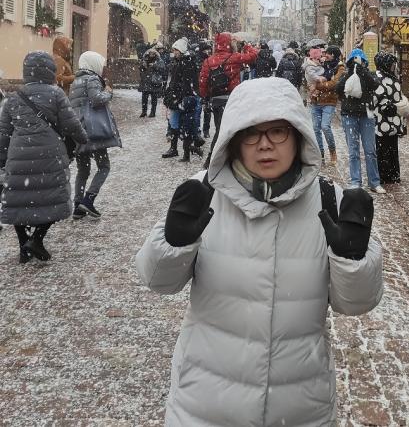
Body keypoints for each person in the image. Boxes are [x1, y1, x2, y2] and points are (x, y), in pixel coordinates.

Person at [135, 77, 383, 427]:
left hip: (300, 406)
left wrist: (353, 260)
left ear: (298, 137)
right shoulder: (202, 195)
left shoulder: (331, 204)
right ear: (234, 141)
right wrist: (174, 244)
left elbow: (356, 303)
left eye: (278, 131)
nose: (265, 145)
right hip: (205, 404)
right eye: (251, 133)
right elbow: (158, 282)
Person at [0, 51, 87, 261]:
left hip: (19, 154)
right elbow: (71, 123)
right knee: (53, 197)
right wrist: (82, 138)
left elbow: (3, 132)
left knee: (18, 199)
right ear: (50, 71)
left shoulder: (14, 97)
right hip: (50, 154)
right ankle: (37, 239)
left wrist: (3, 158)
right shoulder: (56, 94)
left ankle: (24, 246)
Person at [69, 51, 122, 219]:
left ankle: (78, 205)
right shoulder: (91, 79)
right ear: (93, 64)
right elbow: (96, 99)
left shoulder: (75, 81)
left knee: (83, 170)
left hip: (78, 130)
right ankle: (89, 200)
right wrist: (109, 92)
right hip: (92, 131)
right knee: (104, 166)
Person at [199, 33, 258, 162]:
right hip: (233, 98)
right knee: (234, 128)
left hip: (216, 100)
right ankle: (233, 157)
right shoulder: (234, 57)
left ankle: (213, 157)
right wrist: (245, 44)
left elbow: (203, 83)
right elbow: (253, 55)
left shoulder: (209, 61)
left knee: (219, 128)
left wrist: (205, 97)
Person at [336, 48, 386, 194]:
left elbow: (375, 85)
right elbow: (338, 89)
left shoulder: (368, 75)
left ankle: (374, 182)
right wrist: (351, 71)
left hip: (366, 115)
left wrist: (362, 71)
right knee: (353, 151)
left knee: (370, 151)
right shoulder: (346, 74)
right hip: (349, 116)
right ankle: (355, 181)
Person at [162, 39, 202, 162]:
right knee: (174, 124)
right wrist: (169, 94)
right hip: (177, 98)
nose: (174, 52)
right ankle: (177, 148)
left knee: (185, 126)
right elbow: (174, 82)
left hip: (184, 99)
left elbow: (187, 84)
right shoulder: (178, 62)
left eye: (176, 50)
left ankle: (186, 151)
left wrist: (178, 98)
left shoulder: (187, 63)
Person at [373, 52, 407, 185]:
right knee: (384, 148)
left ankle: (391, 174)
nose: (394, 66)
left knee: (390, 147)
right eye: (392, 64)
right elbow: (377, 98)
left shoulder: (387, 77)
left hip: (390, 119)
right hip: (383, 119)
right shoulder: (380, 78)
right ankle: (387, 174)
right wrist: (389, 106)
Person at [309, 47, 345, 164]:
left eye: (328, 54)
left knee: (325, 126)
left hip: (329, 101)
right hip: (316, 100)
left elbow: (334, 84)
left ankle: (332, 151)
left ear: (334, 55)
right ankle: (321, 155)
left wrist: (318, 85)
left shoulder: (340, 68)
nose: (326, 55)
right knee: (316, 128)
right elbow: (311, 79)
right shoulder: (321, 65)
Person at [138, 47, 166, 118]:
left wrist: (154, 66)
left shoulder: (159, 60)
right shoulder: (145, 59)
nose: (151, 54)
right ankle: (144, 112)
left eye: (153, 53)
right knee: (144, 98)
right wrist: (143, 66)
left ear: (155, 54)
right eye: (150, 53)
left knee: (154, 98)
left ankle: (153, 112)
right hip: (146, 81)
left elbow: (162, 69)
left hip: (154, 82)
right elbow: (140, 69)